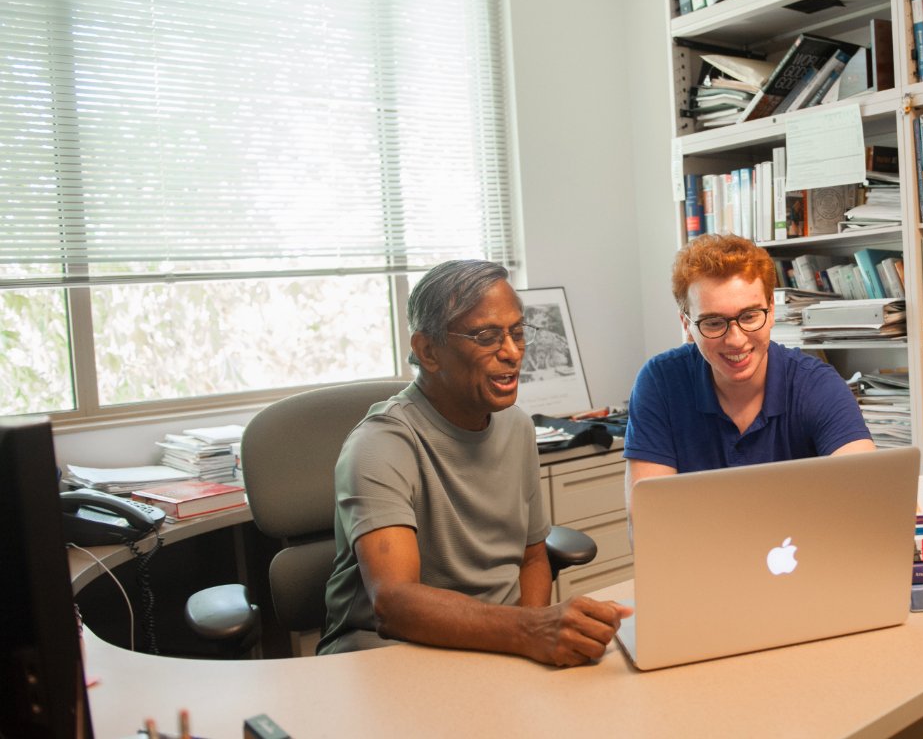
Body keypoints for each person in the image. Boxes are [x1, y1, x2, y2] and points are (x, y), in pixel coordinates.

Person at [318, 260, 630, 664]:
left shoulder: (517, 427)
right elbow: (394, 604)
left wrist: (533, 642)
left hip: (498, 644)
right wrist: (530, 631)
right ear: (427, 351)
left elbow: (533, 557)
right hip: (391, 653)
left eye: (518, 332)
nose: (514, 353)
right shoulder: (380, 443)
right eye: (487, 337)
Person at [624, 234, 875, 499]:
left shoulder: (815, 384)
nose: (736, 340)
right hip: (700, 542)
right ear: (687, 325)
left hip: (798, 541)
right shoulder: (660, 383)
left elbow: (866, 490)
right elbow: (647, 520)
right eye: (713, 323)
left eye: (749, 316)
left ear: (771, 311)